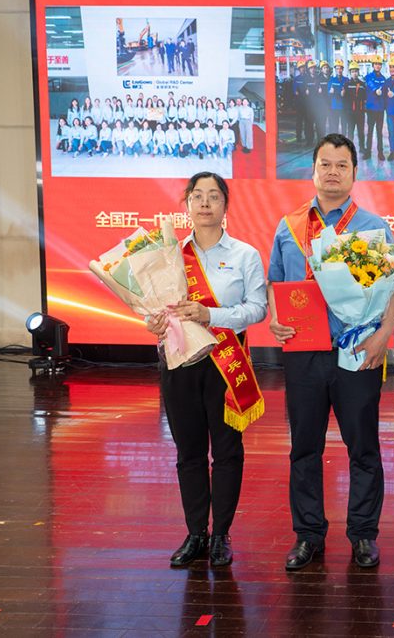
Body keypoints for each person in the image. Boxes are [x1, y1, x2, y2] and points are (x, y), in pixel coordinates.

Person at [268, 133, 394, 571]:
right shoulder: (289, 226)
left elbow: (393, 289)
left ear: (354, 173)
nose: (332, 172)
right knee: (304, 447)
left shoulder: (373, 227)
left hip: (357, 351)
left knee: (363, 447)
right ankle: (308, 535)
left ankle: (363, 534)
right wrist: (274, 317)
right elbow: (274, 282)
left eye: (342, 165)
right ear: (313, 170)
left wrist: (384, 335)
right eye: (325, 164)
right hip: (302, 352)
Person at [146, 171, 267, 568]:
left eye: (213, 196)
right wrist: (153, 322)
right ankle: (196, 532)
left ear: (225, 205)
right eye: (197, 196)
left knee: (228, 452)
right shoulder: (168, 257)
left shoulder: (245, 255)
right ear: (187, 205)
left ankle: (221, 535)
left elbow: (257, 309)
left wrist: (210, 314)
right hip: (179, 364)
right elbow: (154, 308)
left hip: (225, 364)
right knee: (189, 452)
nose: (204, 203)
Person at [364, 58, 387, 160]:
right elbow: (370, 84)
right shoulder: (368, 77)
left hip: (380, 109)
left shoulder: (383, 79)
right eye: (376, 64)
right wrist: (375, 90)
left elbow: (385, 92)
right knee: (370, 131)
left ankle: (380, 152)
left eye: (379, 64)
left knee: (379, 132)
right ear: (373, 65)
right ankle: (368, 152)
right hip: (371, 109)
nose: (377, 66)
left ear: (381, 66)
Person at [343, 62, 366, 146]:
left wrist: (364, 109)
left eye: (356, 71)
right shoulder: (347, 84)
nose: (354, 73)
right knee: (350, 131)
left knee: (361, 131)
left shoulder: (362, 84)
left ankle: (362, 147)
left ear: (358, 72)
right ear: (350, 73)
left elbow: (365, 98)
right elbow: (344, 99)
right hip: (350, 112)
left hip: (360, 112)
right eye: (352, 72)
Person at [328, 59, 347, 135]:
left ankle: (343, 140)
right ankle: (336, 141)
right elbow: (329, 93)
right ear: (335, 69)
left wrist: (345, 93)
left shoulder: (346, 80)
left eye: (340, 68)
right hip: (334, 107)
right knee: (335, 127)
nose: (339, 70)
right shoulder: (332, 80)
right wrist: (331, 92)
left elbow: (349, 94)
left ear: (343, 69)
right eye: (337, 68)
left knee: (344, 127)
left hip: (344, 107)